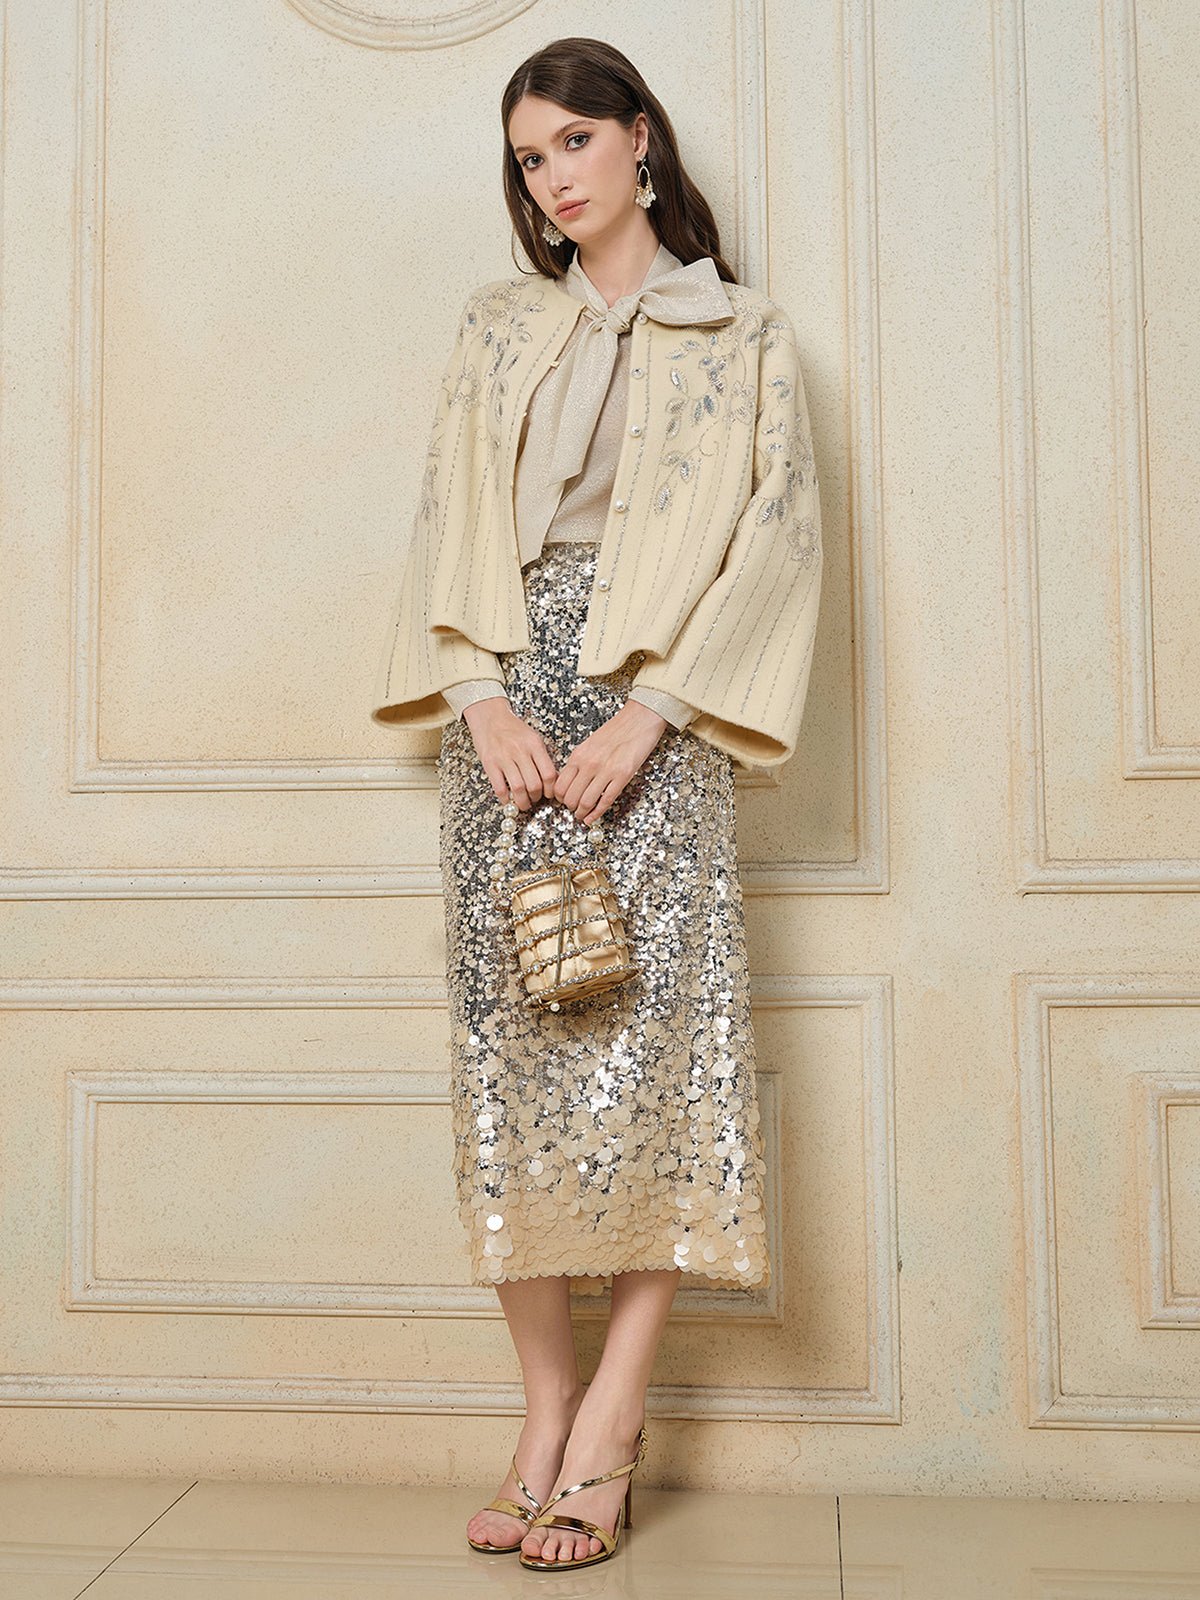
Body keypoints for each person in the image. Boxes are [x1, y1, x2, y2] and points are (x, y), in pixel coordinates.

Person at [370, 36, 823, 1573]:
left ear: (641, 139)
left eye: (574, 141)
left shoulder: (746, 334)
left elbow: (774, 540)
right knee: (518, 1063)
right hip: (502, 714)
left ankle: (615, 1419)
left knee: (666, 1056)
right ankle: (544, 1413)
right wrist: (484, 698)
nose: (553, 177)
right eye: (527, 158)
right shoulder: (498, 329)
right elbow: (445, 514)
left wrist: (653, 714)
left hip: (663, 716)